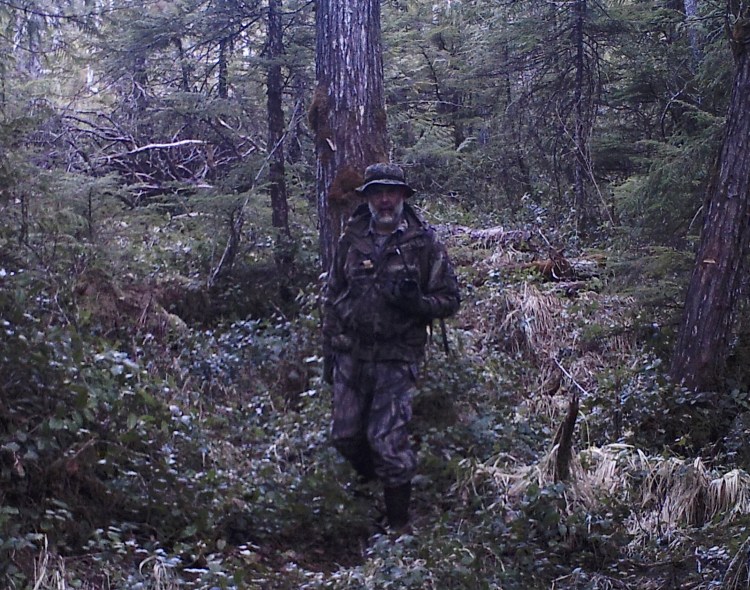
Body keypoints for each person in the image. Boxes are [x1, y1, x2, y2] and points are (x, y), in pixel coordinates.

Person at [322, 162, 460, 531]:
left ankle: (398, 526)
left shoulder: (424, 243)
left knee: (387, 442)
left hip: (397, 357)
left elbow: (449, 300)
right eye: (377, 193)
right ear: (367, 198)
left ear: (402, 196)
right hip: (351, 354)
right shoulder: (351, 240)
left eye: (391, 192)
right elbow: (332, 295)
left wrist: (417, 304)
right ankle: (373, 482)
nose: (384, 200)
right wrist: (329, 353)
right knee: (344, 436)